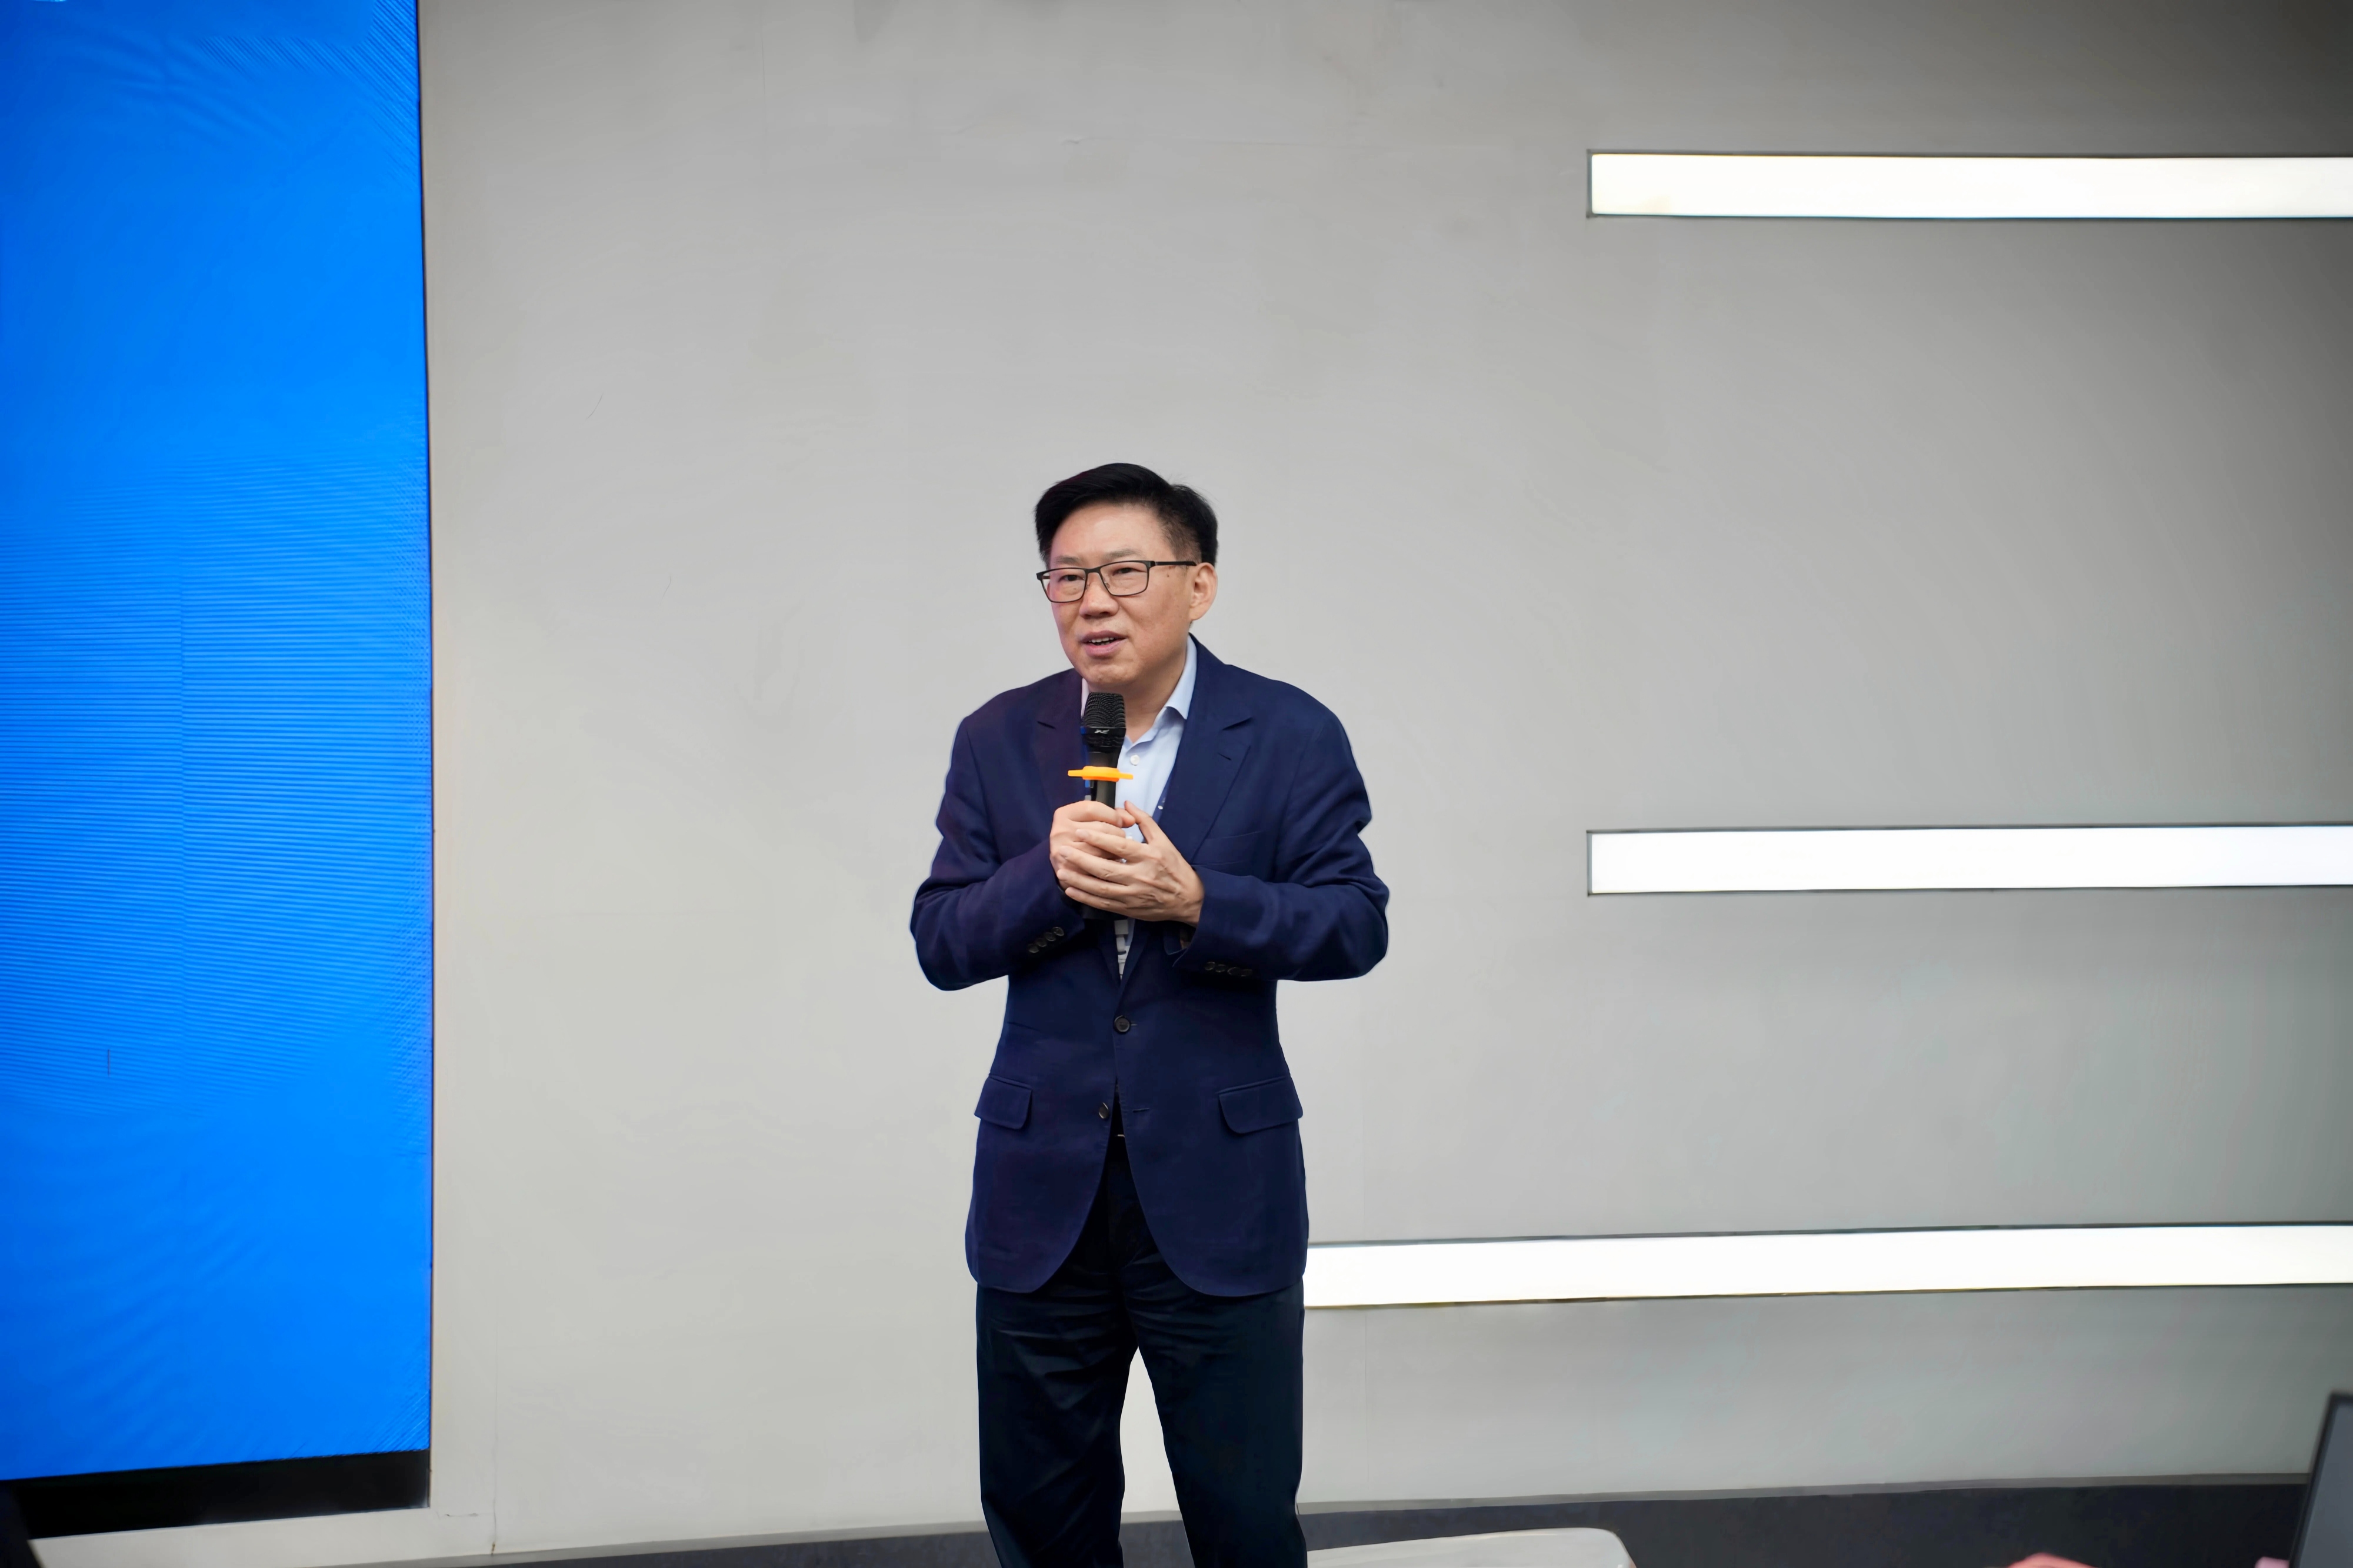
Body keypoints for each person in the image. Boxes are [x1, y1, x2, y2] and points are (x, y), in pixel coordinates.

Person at [912, 463, 1389, 1568]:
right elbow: (941, 939)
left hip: (1221, 1187)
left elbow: (1354, 922)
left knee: (1245, 1522)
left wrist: (1199, 901)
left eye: (1126, 572)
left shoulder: (1287, 731)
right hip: (1042, 1192)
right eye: (1067, 576)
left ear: (1199, 584)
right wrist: (1045, 875)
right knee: (1043, 1524)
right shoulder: (1000, 735)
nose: (1094, 601)